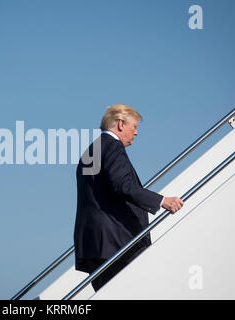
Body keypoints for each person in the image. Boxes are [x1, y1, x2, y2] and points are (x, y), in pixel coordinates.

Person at [74, 104, 183, 292]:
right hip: (117, 243)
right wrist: (161, 200)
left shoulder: (91, 151)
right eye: (135, 127)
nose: (136, 133)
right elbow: (123, 185)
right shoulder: (113, 147)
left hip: (93, 244)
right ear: (121, 124)